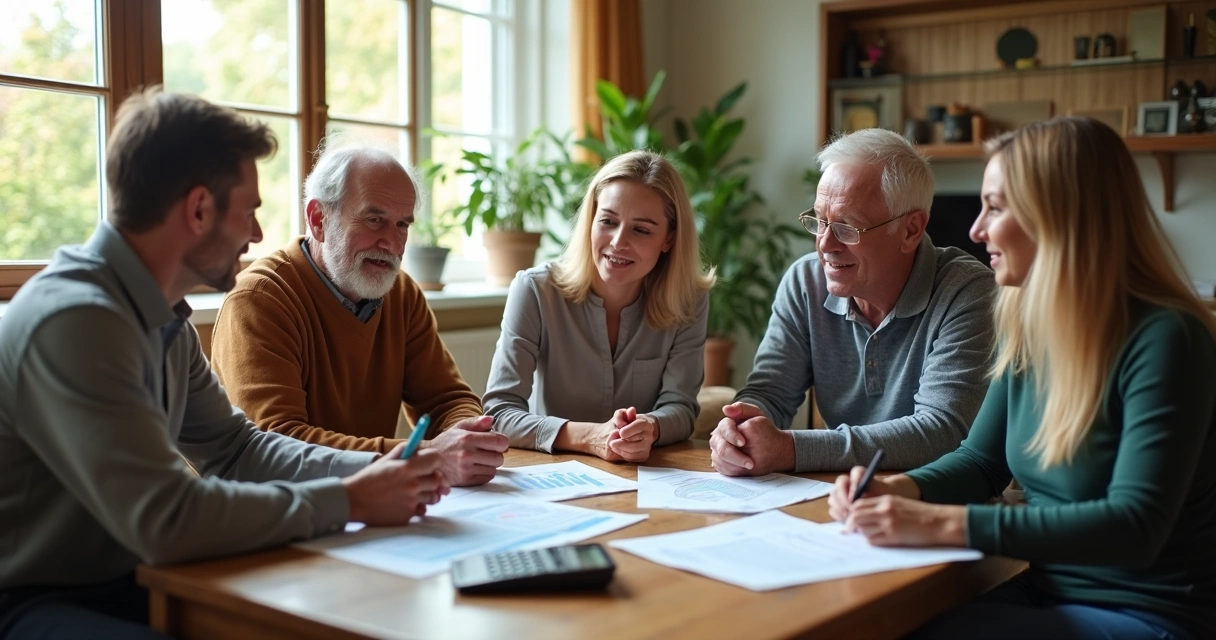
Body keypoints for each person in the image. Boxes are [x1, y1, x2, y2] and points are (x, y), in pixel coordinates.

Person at [0, 89, 447, 639]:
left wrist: (375, 472)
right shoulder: (76, 322)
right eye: (250, 211)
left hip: (135, 578)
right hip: (35, 601)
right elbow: (168, 517)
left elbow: (237, 449)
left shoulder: (163, 318)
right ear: (197, 210)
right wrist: (350, 498)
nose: (257, 234)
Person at [829, 117, 1216, 639]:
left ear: (1060, 216)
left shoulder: (1168, 337)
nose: (975, 229)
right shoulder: (1029, 324)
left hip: (1147, 614)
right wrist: (900, 488)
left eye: (996, 206)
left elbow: (1134, 528)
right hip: (1046, 591)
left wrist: (942, 523)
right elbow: (980, 462)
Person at [210, 142, 508, 487]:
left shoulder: (401, 293)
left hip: (369, 509)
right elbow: (277, 444)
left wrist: (467, 435)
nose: (392, 244)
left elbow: (446, 399)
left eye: (402, 225)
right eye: (374, 220)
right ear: (318, 219)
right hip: (274, 516)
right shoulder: (260, 300)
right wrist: (425, 457)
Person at [710, 128, 996, 475]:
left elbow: (941, 431)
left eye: (848, 227)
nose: (825, 244)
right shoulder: (805, 282)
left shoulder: (968, 292)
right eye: (820, 220)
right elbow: (769, 393)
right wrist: (740, 430)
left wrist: (791, 449)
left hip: (934, 502)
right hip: (845, 494)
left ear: (910, 230)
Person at [483, 150, 714, 462]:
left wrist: (651, 427)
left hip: (644, 476)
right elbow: (499, 413)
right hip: (551, 475)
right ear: (590, 220)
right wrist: (590, 437)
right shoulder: (535, 290)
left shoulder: (689, 301)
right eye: (607, 221)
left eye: (641, 229)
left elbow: (681, 407)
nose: (618, 241)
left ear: (669, 239)